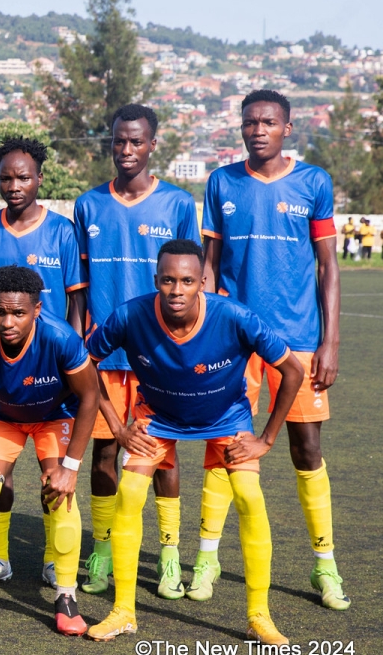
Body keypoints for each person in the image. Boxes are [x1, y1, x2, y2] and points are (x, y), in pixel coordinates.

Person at [85, 239, 302, 646]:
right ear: (156, 280)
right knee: (130, 492)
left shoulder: (236, 316)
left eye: (187, 280)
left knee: (250, 497)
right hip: (158, 417)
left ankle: (259, 616)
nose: (176, 290)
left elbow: (292, 370)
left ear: (203, 281)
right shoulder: (130, 315)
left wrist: (266, 439)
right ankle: (123, 612)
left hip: (226, 418)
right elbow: (84, 363)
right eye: (168, 280)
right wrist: (116, 425)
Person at [198, 89, 347, 610]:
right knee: (225, 445)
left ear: (287, 128)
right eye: (249, 122)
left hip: (299, 342)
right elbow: (210, 265)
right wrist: (206, 328)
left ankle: (324, 564)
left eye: (267, 122)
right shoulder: (221, 182)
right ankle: (207, 556)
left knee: (306, 449)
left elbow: (328, 266)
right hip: (235, 342)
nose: (257, 129)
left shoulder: (313, 183)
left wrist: (329, 342)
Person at [72, 104, 199, 599]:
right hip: (102, 355)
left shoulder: (177, 203)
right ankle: (101, 550)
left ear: (152, 145)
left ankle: (169, 555)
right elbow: (78, 289)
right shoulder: (88, 205)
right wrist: (79, 343)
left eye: (136, 142)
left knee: (162, 457)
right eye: (118, 142)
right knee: (103, 453)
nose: (126, 151)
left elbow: (193, 281)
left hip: (159, 354)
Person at [0, 266, 100, 636]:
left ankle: (66, 597)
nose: (7, 321)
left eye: (18, 313)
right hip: (0, 415)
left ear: (37, 310)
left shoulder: (61, 337)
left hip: (53, 415)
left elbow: (90, 394)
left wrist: (71, 467)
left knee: (60, 493)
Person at [0, 137, 86, 589]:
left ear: (39, 179)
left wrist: (72, 364)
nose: (15, 185)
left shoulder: (62, 231)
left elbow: (76, 301)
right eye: (7, 177)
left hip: (53, 375)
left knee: (55, 475)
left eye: (24, 177)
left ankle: (54, 559)